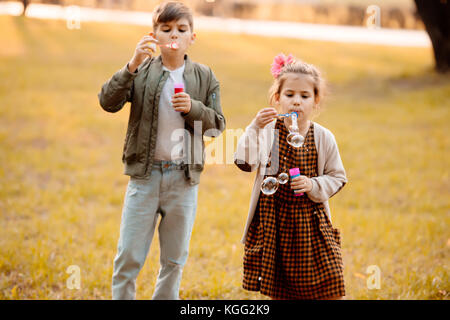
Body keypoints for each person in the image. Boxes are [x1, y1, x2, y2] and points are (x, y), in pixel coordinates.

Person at [98, 1, 226, 300]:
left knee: (174, 259)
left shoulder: (205, 76)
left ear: (192, 37)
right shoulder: (140, 71)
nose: (174, 35)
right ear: (154, 35)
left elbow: (217, 125)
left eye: (181, 30)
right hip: (145, 177)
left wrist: (193, 108)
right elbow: (108, 101)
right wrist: (130, 66)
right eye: (166, 29)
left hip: (182, 181)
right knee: (128, 255)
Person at [234, 53, 347, 299]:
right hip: (274, 221)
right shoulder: (267, 132)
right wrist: (254, 128)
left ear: (316, 101)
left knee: (329, 280)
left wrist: (313, 184)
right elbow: (244, 162)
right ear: (277, 98)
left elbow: (338, 177)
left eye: (305, 96)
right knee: (281, 287)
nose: (297, 102)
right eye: (290, 95)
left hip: (311, 223)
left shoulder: (323, 137)